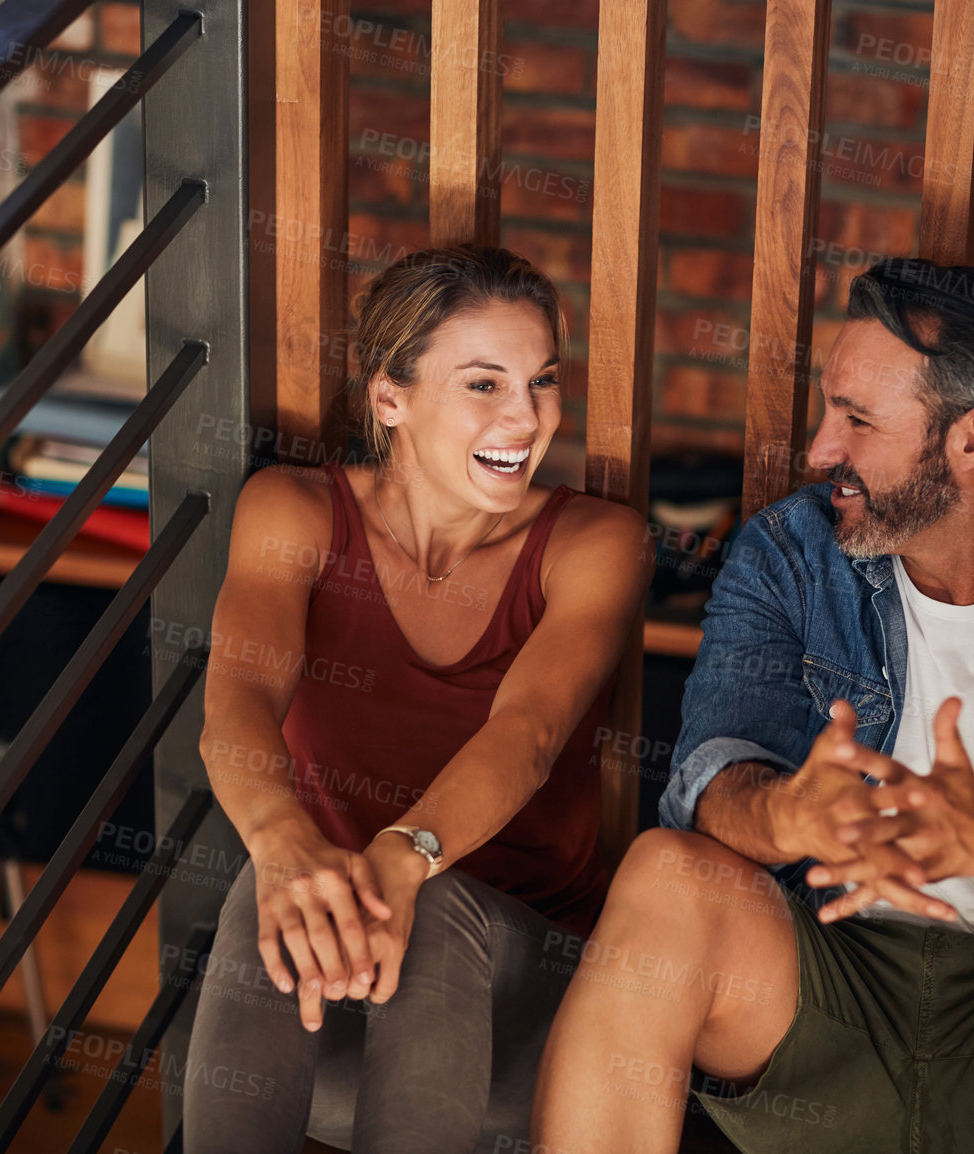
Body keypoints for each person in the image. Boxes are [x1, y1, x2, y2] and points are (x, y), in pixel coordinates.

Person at [533, 258, 974, 1153]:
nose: (820, 450)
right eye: (831, 409)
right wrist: (789, 813)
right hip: (821, 993)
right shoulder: (790, 553)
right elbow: (710, 773)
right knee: (666, 870)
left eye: (858, 421)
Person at [183, 244, 652, 1152]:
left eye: (543, 380)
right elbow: (236, 702)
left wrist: (404, 858)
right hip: (328, 994)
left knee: (431, 899)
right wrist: (286, 848)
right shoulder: (293, 510)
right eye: (485, 385)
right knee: (270, 882)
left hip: (520, 1014)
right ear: (388, 398)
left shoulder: (597, 541)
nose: (528, 417)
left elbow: (528, 733)